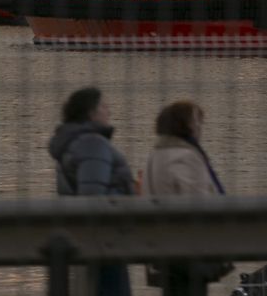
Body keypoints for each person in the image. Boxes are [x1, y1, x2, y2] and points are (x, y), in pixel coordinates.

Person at [49, 86, 135, 296]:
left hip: (85, 240)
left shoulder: (71, 145)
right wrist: (128, 195)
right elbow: (93, 198)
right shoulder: (93, 144)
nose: (109, 111)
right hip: (106, 239)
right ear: (91, 113)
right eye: (104, 106)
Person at [141, 100, 231, 296]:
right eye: (198, 121)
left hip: (162, 246)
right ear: (186, 124)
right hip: (189, 249)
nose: (201, 127)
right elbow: (200, 203)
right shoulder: (186, 156)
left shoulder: (156, 154)